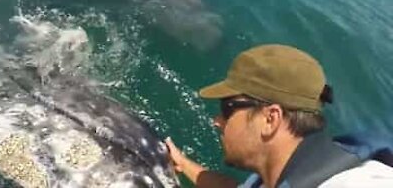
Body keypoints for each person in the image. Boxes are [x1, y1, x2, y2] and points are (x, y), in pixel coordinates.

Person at [165, 44, 393, 188]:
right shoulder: (281, 172)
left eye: (227, 109)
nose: (217, 120)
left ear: (270, 119)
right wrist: (184, 165)